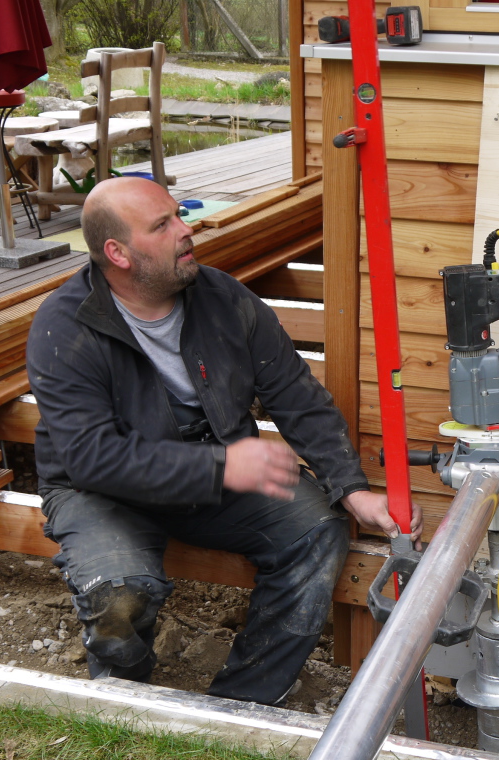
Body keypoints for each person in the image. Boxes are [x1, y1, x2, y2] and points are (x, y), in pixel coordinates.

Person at [26, 177, 421, 705]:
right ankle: (125, 700)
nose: (186, 231)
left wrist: (352, 490)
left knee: (317, 532)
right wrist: (219, 466)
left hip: (212, 473)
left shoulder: (223, 298)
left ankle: (242, 703)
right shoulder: (64, 327)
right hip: (102, 492)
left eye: (178, 215)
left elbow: (295, 396)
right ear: (117, 253)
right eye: (162, 225)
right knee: (119, 596)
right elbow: (91, 458)